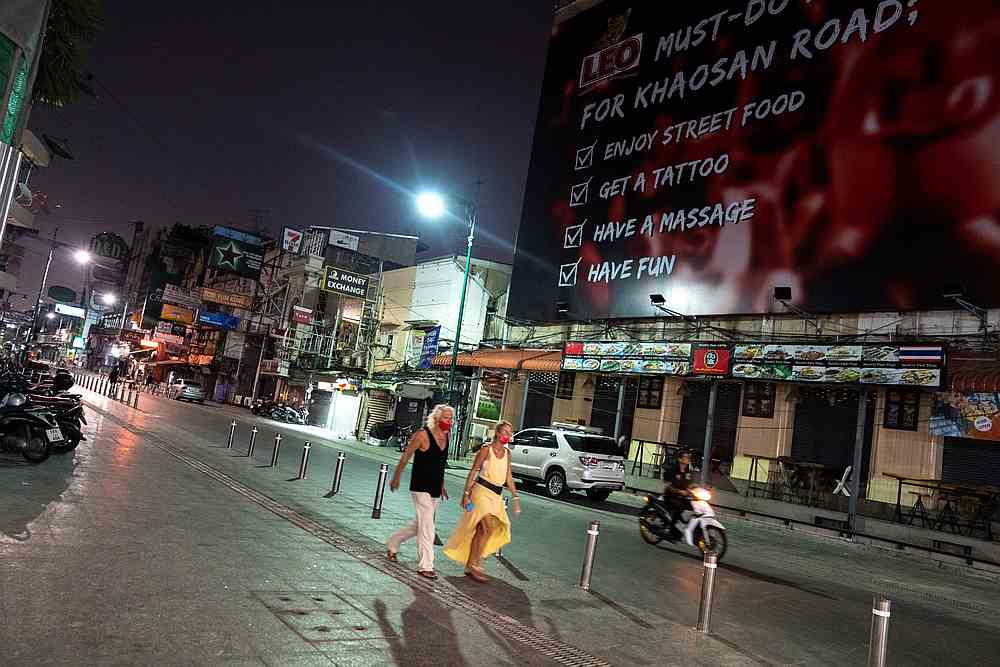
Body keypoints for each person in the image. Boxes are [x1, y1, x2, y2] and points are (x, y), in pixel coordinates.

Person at [443, 420, 521, 583]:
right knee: (488, 528)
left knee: (482, 531)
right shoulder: (486, 450)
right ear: (498, 433)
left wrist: (516, 497)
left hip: (496, 496)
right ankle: (474, 565)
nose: (508, 435)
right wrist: (465, 494)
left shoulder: (507, 454)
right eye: (505, 432)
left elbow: (508, 477)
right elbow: (473, 471)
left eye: (510, 432)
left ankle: (471, 564)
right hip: (481, 492)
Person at [387, 404, 452, 580]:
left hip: (435, 487)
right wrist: (396, 477)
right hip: (420, 486)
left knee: (421, 525)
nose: (449, 422)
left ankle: (393, 542)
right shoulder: (423, 435)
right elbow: (406, 455)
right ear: (437, 418)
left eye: (451, 418)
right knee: (428, 528)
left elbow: (440, 463)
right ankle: (426, 566)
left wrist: (442, 484)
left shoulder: (447, 436)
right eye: (446, 418)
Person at [662, 449, 693, 539]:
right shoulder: (673, 470)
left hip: (682, 497)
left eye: (689, 457)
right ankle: (671, 530)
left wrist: (696, 488)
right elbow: (667, 485)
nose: (688, 459)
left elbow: (689, 484)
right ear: (680, 459)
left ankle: (685, 528)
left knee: (692, 508)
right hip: (670, 496)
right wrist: (678, 491)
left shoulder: (687, 471)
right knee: (679, 508)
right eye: (686, 457)